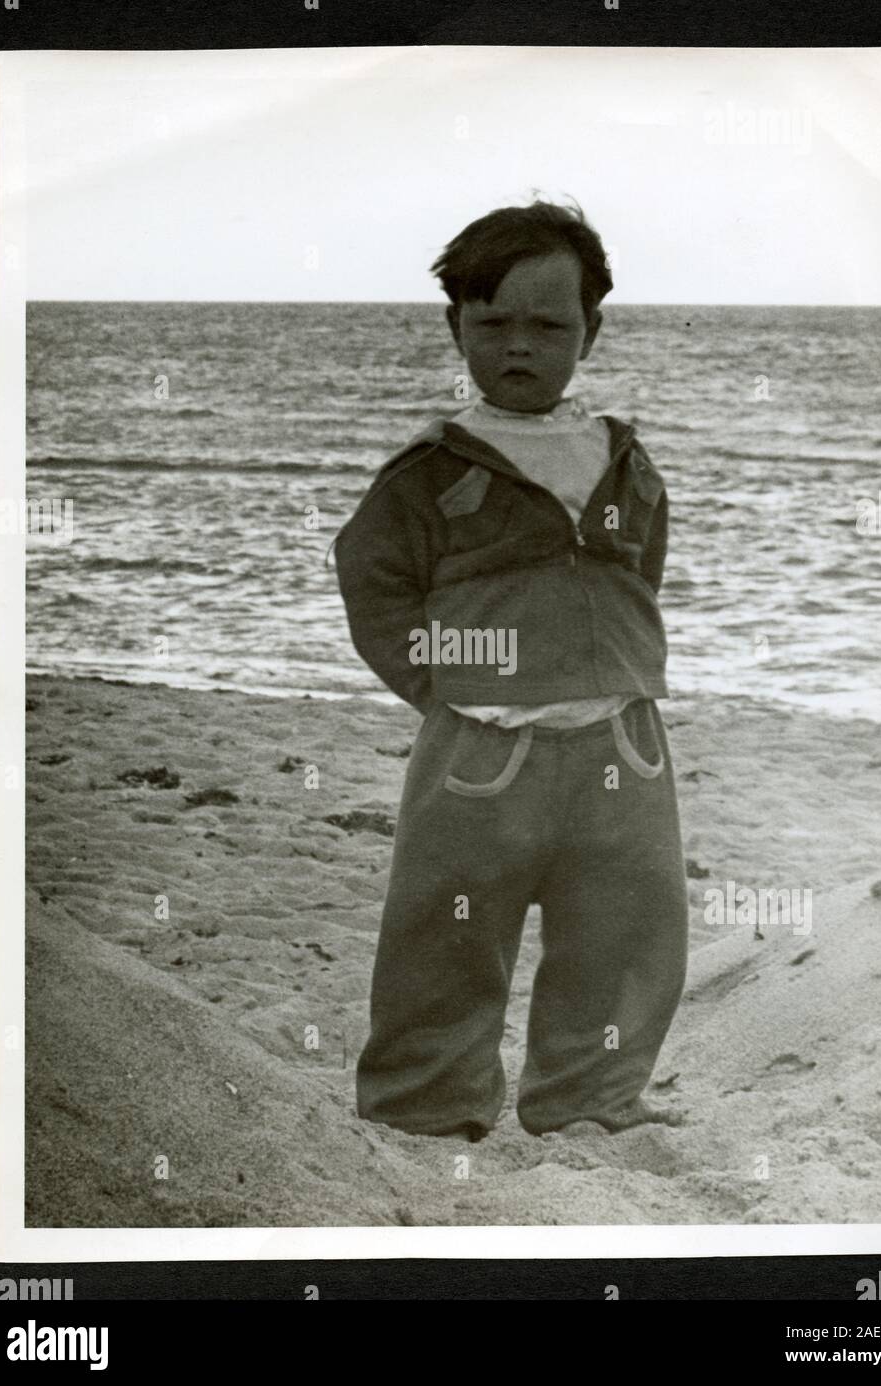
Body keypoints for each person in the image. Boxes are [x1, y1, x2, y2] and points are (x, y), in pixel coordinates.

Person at [333, 199, 688, 1140]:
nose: (519, 346)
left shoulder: (623, 458)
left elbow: (638, 569)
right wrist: (445, 688)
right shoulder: (429, 468)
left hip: (624, 744)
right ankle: (425, 1112)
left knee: (624, 937)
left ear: (591, 332)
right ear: (457, 328)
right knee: (444, 939)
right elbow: (375, 591)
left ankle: (588, 1106)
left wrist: (616, 664)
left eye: (548, 325)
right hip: (479, 755)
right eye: (492, 324)